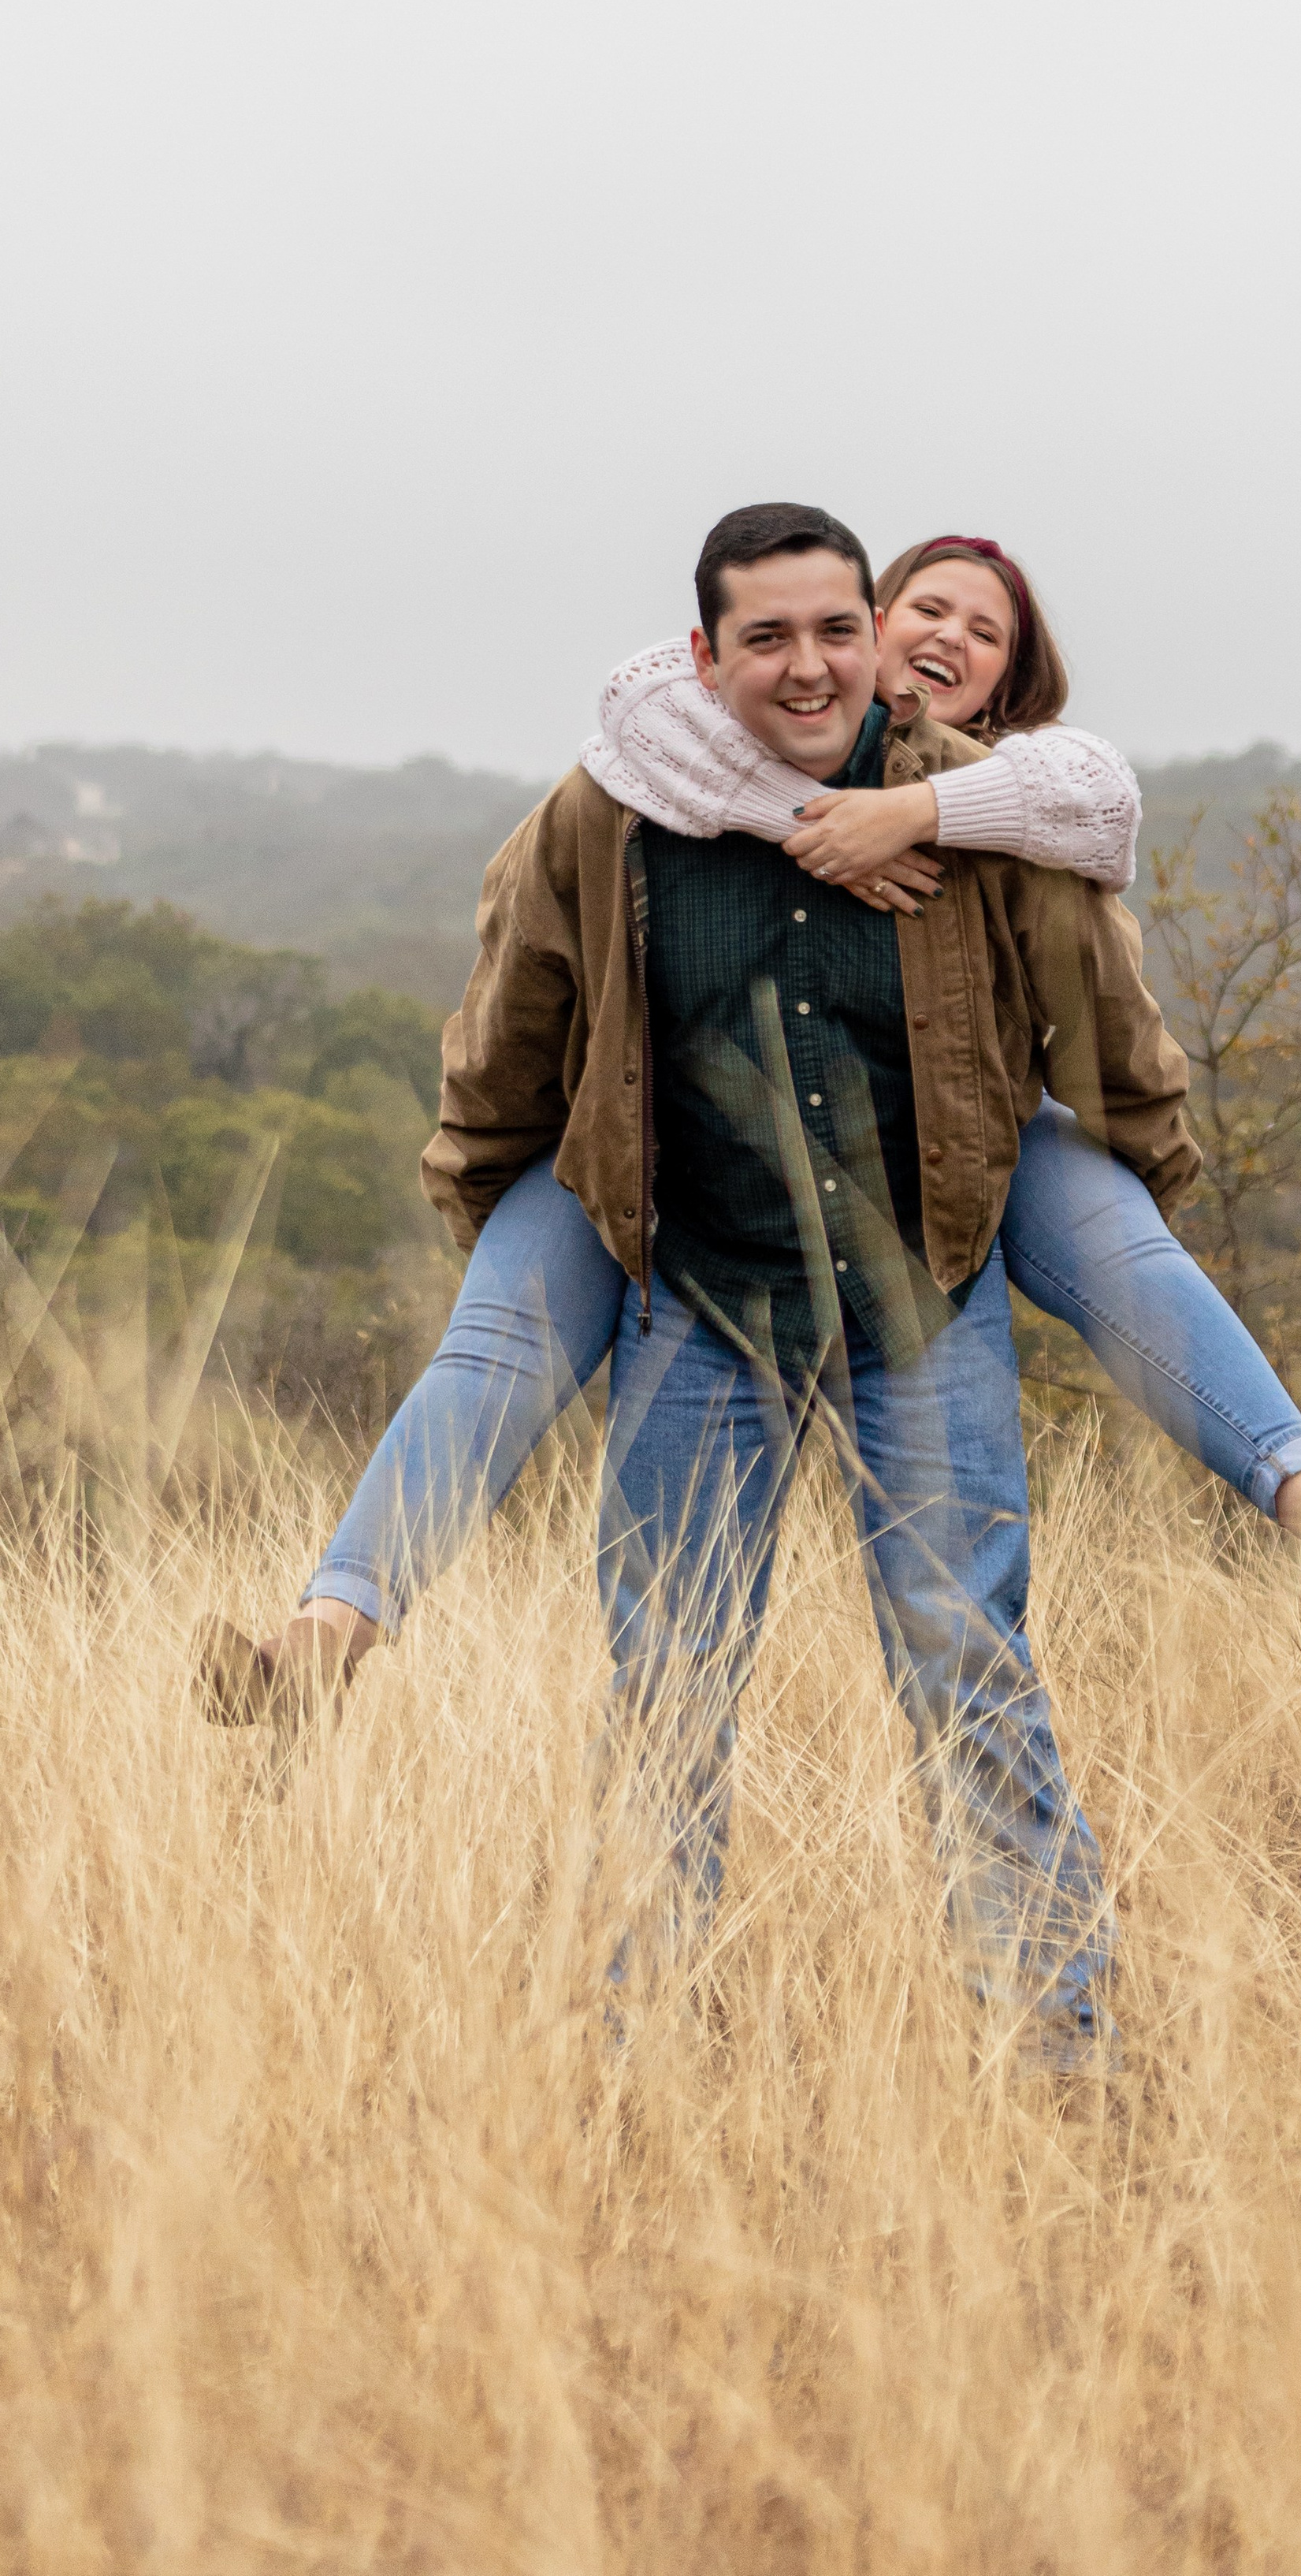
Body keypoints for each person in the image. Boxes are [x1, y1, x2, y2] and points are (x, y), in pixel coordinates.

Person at [197, 514, 1301, 1739]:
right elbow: (625, 768)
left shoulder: (1009, 801)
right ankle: (329, 1636)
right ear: (869, 621)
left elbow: (1097, 853)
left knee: (974, 1642)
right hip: (669, 1222)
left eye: (989, 632)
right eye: (931, 607)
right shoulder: (649, 774)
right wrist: (810, 821)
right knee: (562, 1482)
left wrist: (918, 813)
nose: (943, 640)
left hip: (937, 1231)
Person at [207, 504, 1209, 2049]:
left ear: (872, 639)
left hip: (916, 1307)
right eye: (766, 638)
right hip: (700, 1307)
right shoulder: (613, 815)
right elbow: (512, 1019)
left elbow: (1102, 970)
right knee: (664, 1679)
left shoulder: (969, 807)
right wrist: (510, 1214)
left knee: (969, 1672)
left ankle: (1058, 2047)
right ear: (705, 652)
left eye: (832, 631)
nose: (807, 666)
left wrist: (1134, 1176)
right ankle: (642, 2044)